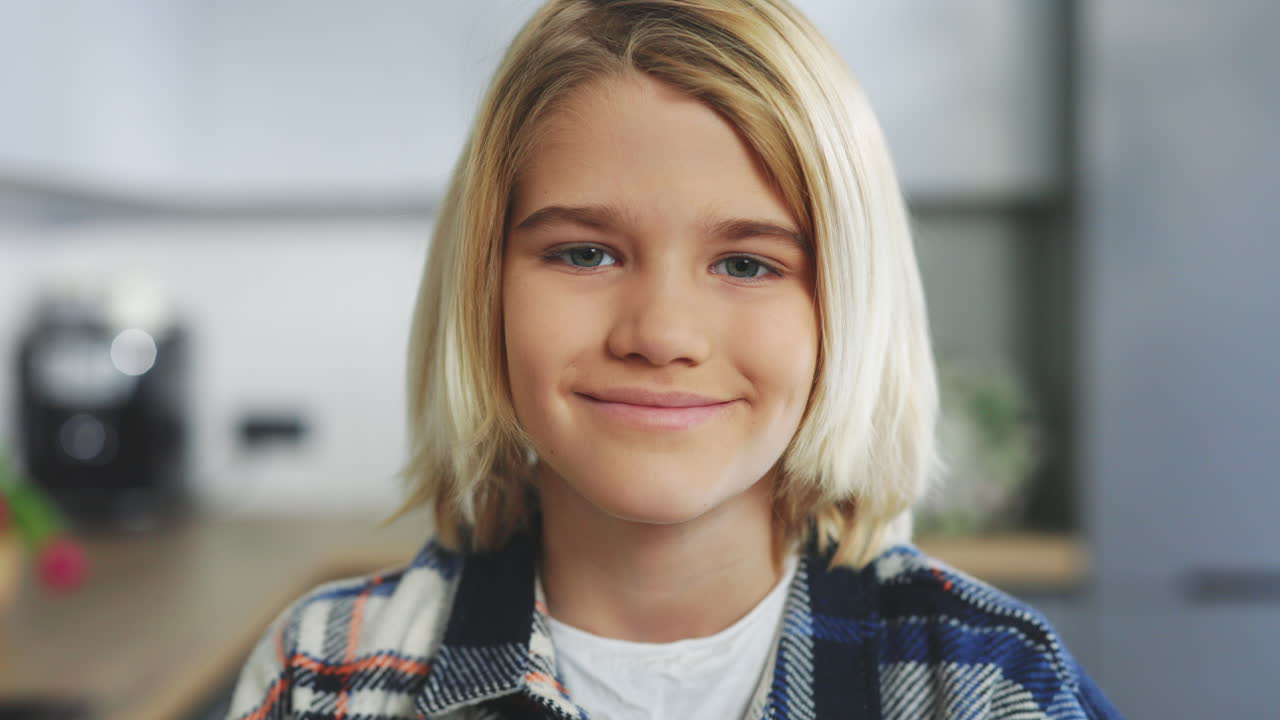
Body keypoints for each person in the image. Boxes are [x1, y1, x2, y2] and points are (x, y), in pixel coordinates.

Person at [226, 1, 1122, 718]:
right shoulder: (321, 674)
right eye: (585, 253)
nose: (660, 334)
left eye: (746, 264)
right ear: (483, 290)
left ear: (849, 308)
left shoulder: (993, 685)